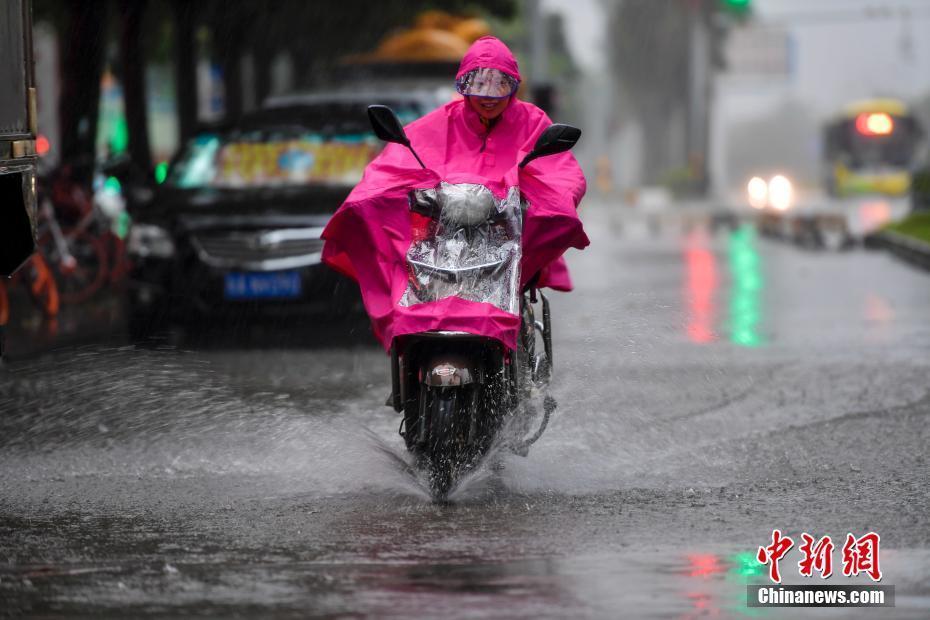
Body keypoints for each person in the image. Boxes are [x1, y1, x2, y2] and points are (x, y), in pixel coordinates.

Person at [322, 35, 588, 350]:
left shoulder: (533, 122)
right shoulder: (437, 123)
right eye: (478, 84)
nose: (488, 96)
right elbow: (394, 167)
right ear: (463, 86)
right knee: (405, 301)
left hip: (504, 238)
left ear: (514, 86)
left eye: (499, 85)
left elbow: (560, 174)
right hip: (439, 242)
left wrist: (534, 197)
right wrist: (370, 200)